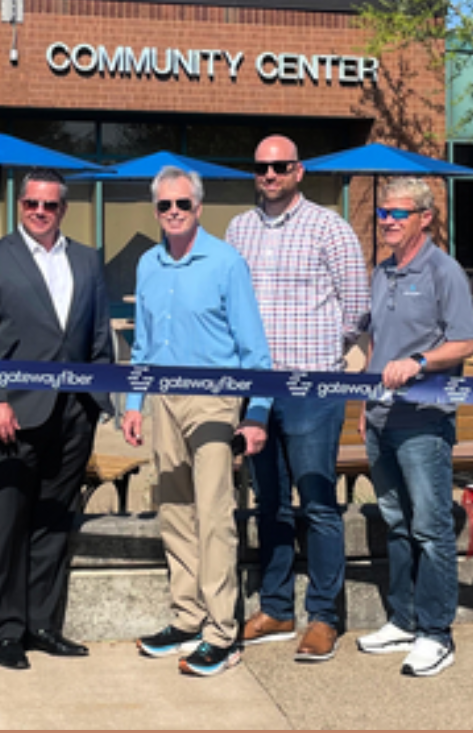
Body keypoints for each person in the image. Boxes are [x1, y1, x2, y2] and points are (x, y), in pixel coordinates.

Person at [0, 168, 116, 670]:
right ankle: (6, 631)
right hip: (14, 411)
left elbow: (98, 337)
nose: (40, 212)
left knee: (54, 520)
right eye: (32, 204)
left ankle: (43, 625)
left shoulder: (87, 260)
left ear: (63, 209)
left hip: (74, 412)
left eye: (50, 205)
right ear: (20, 205)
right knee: (8, 522)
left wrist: (99, 400)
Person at [122, 167, 272, 677]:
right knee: (174, 511)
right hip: (163, 399)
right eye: (164, 205)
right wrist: (134, 402)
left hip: (214, 399)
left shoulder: (227, 262)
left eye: (182, 204)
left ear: (199, 207)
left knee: (213, 515)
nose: (173, 213)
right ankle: (187, 618)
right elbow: (143, 343)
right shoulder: (147, 263)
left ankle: (222, 633)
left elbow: (254, 349)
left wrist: (257, 413)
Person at [226, 135, 369, 662]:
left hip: (313, 388)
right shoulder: (238, 229)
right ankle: (277, 607)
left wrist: (323, 354)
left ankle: (325, 616)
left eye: (280, 166)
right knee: (269, 503)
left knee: (317, 504)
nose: (269, 175)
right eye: (261, 167)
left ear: (298, 171)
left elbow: (357, 307)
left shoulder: (329, 227)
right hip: (257, 388)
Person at [355, 176, 473, 678]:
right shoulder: (381, 271)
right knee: (396, 522)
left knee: (430, 527)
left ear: (424, 218)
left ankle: (436, 632)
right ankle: (403, 620)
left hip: (424, 422)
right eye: (383, 213)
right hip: (380, 417)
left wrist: (420, 361)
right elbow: (374, 342)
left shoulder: (444, 271)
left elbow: (465, 341)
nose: (387, 221)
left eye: (397, 213)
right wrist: (365, 399)